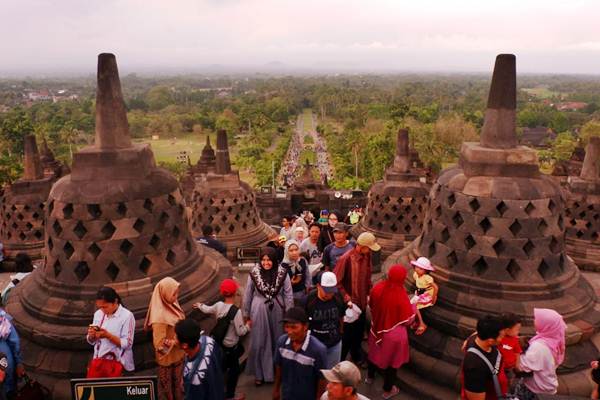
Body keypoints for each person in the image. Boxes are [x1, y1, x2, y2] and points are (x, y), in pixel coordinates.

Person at [367, 265, 426, 398]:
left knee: (373, 353)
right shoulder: (401, 295)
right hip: (393, 336)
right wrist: (413, 304)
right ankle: (388, 390)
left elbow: (370, 304)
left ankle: (369, 377)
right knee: (392, 364)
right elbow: (408, 320)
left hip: (376, 327)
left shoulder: (377, 287)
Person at [243, 247, 293, 386]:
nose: (266, 263)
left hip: (277, 309)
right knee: (259, 342)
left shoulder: (283, 273)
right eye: (263, 260)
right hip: (258, 309)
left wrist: (289, 316)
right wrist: (246, 313)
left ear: (274, 260)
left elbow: (288, 295)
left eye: (269, 260)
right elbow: (248, 294)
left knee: (278, 340)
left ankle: (277, 373)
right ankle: (260, 374)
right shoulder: (254, 273)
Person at [195, 279, 251, 400]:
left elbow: (207, 309)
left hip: (219, 345)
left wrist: (199, 305)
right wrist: (248, 326)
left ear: (221, 292)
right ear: (235, 292)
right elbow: (240, 331)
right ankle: (230, 395)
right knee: (234, 371)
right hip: (231, 348)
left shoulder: (218, 305)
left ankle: (216, 391)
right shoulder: (236, 312)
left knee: (220, 369)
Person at [334, 232, 380, 365]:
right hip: (349, 305)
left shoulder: (367, 256)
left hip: (362, 302)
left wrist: (369, 292)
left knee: (359, 333)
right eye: (368, 248)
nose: (370, 250)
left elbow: (368, 277)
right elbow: (337, 281)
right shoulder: (346, 258)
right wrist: (346, 298)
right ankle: (340, 362)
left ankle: (356, 355)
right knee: (347, 335)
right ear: (360, 246)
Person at [144, 277, 186, 400]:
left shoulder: (171, 304)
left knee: (178, 386)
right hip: (167, 361)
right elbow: (159, 346)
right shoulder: (159, 318)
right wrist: (176, 342)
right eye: (174, 293)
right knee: (168, 390)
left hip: (178, 355)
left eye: (177, 293)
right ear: (164, 294)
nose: (176, 296)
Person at [273, 307, 328, 400]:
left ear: (305, 326)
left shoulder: (318, 350)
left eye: (294, 327)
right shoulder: (281, 342)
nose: (289, 332)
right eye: (287, 327)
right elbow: (279, 367)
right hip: (287, 395)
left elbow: (321, 379)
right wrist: (276, 389)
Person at [514, 308, 566, 399]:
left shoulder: (539, 347)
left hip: (536, 389)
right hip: (547, 385)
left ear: (547, 325)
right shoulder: (555, 339)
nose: (534, 321)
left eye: (538, 319)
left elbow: (521, 367)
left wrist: (515, 350)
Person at [86, 287, 135, 377]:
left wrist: (108, 335)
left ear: (115, 302)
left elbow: (128, 343)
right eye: (100, 307)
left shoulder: (127, 316)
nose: (102, 310)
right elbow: (92, 342)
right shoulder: (98, 314)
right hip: (99, 364)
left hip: (120, 365)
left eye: (105, 307)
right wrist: (91, 335)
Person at [175, 318, 224, 400]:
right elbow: (220, 357)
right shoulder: (208, 340)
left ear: (184, 345)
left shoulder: (194, 378)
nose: (174, 338)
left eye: (176, 336)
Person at [306, 272, 347, 369]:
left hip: (334, 344)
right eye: (326, 291)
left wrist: (340, 333)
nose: (329, 294)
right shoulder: (309, 300)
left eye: (332, 291)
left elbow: (341, 317)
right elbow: (303, 321)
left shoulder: (338, 297)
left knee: (332, 373)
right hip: (314, 345)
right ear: (318, 286)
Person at [461, 315, 508, 400]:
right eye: (501, 336)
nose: (503, 338)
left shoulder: (479, 337)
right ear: (490, 340)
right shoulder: (475, 367)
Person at [0, 310, 24, 398]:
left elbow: (15, 343)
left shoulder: (3, 320)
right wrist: (19, 363)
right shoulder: (3, 319)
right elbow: (15, 342)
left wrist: (19, 363)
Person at [281, 240, 312, 304]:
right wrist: (291, 283)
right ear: (286, 252)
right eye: (291, 250)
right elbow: (281, 285)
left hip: (303, 293)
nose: (294, 252)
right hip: (290, 296)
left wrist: (307, 287)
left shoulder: (303, 260)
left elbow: (308, 275)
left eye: (296, 249)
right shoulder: (283, 266)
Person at [498, 313, 522, 390]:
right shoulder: (498, 338)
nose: (518, 332)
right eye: (517, 329)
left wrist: (517, 365)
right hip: (498, 367)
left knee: (509, 381)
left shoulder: (515, 340)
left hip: (510, 368)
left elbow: (517, 352)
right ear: (507, 330)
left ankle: (506, 390)